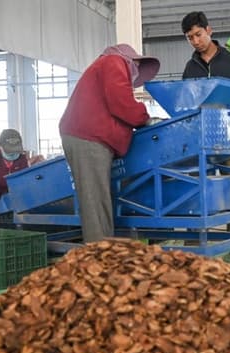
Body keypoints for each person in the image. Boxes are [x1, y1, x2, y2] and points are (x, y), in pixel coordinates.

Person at [59, 44, 160, 243]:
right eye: (137, 71)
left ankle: (105, 251)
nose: (135, 77)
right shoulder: (115, 62)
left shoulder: (106, 65)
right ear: (134, 61)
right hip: (88, 138)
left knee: (100, 200)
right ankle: (99, 256)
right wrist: (145, 118)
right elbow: (120, 101)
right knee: (95, 202)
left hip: (89, 137)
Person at [181, 11, 230, 254]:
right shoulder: (191, 67)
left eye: (198, 34)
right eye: (190, 37)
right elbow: (184, 101)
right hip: (199, 140)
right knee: (194, 188)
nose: (195, 41)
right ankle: (193, 246)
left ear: (209, 30)